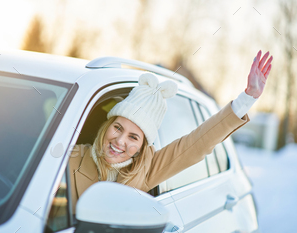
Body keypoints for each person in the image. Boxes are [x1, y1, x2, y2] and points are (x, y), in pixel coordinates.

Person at [69, 50, 273, 214]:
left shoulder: (147, 170)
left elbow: (196, 144)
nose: (120, 141)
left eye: (133, 137)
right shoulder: (71, 157)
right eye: (118, 127)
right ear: (108, 125)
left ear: (142, 146)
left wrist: (247, 99)